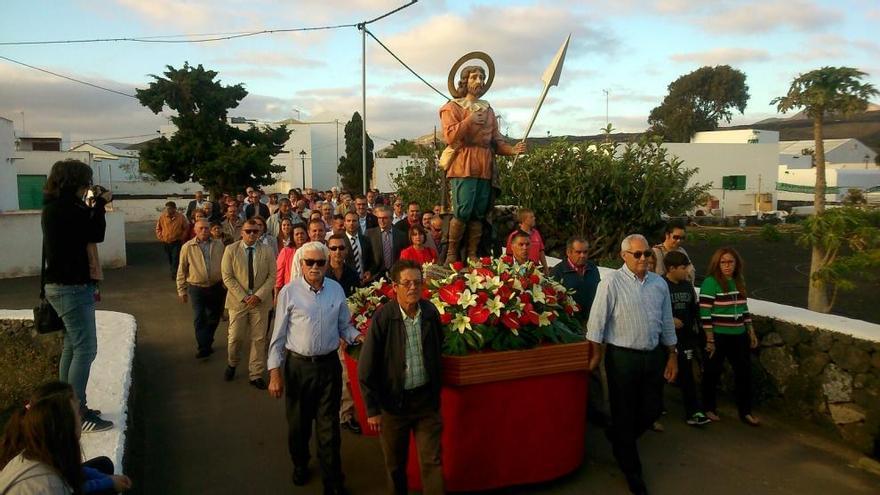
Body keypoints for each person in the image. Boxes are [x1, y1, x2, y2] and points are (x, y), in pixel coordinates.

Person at [267, 242, 365, 494]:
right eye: (309, 262)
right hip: (298, 368)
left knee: (328, 426)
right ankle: (300, 464)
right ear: (301, 264)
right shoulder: (289, 292)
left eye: (319, 262)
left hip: (329, 367)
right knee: (298, 425)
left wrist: (359, 336)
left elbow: (345, 326)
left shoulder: (335, 291)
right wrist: (274, 373)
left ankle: (333, 480)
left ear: (326, 263)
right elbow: (277, 337)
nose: (314, 267)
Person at [586, 234, 677, 495]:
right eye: (637, 254)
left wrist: (672, 354)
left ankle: (618, 438)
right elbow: (596, 322)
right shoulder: (611, 283)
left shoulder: (658, 284)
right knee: (624, 412)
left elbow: (667, 322)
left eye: (646, 253)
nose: (643, 259)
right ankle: (632, 470)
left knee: (652, 409)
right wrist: (595, 355)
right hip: (622, 357)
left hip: (653, 355)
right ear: (624, 256)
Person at [358, 260, 446, 495]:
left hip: (426, 403)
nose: (412, 288)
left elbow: (440, 347)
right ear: (394, 287)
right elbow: (366, 367)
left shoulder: (429, 312)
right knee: (395, 466)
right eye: (406, 283)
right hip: (393, 406)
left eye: (417, 282)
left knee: (432, 462)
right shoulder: (384, 318)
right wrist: (372, 409)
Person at [40, 159, 113, 433]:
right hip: (71, 287)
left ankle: (66, 405)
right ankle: (78, 411)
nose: (86, 188)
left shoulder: (55, 207)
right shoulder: (66, 209)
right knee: (85, 348)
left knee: (72, 346)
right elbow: (96, 232)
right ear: (75, 182)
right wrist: (101, 204)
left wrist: (93, 205)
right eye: (85, 182)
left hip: (62, 286)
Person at [439, 64, 526, 263]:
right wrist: (468, 121)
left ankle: (472, 253)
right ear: (464, 81)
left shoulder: (488, 109)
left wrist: (512, 150)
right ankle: (452, 252)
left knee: (479, 212)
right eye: (474, 77)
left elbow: (497, 141)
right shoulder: (452, 107)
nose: (479, 81)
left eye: (481, 77)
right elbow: (449, 136)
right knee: (463, 210)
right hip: (463, 163)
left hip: (485, 165)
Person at [0, 382, 133, 494]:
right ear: (64, 424)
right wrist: (108, 483)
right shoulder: (50, 487)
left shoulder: (38, 446)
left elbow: (68, 471)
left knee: (103, 465)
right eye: (76, 410)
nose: (81, 415)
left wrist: (106, 479)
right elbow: (71, 486)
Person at [700, 247, 760, 426]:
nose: (727, 266)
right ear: (717, 264)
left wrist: (750, 330)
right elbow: (705, 312)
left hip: (738, 335)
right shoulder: (711, 282)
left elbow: (743, 308)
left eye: (730, 262)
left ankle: (746, 411)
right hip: (718, 335)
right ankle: (709, 407)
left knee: (744, 374)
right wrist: (710, 338)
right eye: (723, 262)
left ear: (736, 263)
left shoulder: (738, 280)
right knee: (712, 372)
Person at [221, 219, 277, 389]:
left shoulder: (267, 251)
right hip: (238, 302)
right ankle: (232, 362)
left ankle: (256, 373)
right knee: (235, 338)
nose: (252, 234)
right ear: (242, 232)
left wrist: (258, 295)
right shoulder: (231, 250)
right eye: (248, 231)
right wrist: (244, 297)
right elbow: (227, 277)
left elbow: (272, 276)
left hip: (260, 302)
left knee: (259, 339)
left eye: (255, 231)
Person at [662, 251, 710, 426]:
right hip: (665, 341)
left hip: (686, 339)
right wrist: (669, 320)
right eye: (683, 268)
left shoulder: (687, 286)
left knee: (687, 374)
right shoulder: (660, 285)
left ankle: (693, 411)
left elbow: (694, 310)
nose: (687, 271)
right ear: (671, 268)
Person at [326, 234, 364, 435]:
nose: (337, 252)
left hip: (345, 332)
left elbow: (358, 301)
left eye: (341, 248)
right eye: (333, 248)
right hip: (324, 333)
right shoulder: (321, 272)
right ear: (328, 249)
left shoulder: (351, 273)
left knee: (346, 376)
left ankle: (345, 414)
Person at [177, 219, 226, 359]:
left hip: (216, 286)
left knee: (214, 316)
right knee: (199, 317)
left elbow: (225, 265)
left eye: (206, 228)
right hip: (196, 287)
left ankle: (208, 340)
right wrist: (182, 290)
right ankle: (203, 347)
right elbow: (182, 269)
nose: (204, 231)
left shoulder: (218, 245)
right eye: (201, 228)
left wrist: (225, 283)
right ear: (195, 230)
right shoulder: (188, 247)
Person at [367, 206, 408, 281]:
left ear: (392, 219)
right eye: (379, 218)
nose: (381, 221)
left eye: (385, 218)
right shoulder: (369, 234)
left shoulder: (401, 235)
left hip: (396, 275)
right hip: (375, 277)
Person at [505, 208, 548, 274]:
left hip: (535, 270)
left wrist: (546, 268)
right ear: (524, 220)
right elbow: (509, 255)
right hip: (520, 271)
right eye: (531, 217)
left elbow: (541, 252)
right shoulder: (514, 236)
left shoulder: (536, 233)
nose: (534, 218)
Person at [155, 201, 190, 280]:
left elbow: (186, 228)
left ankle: (175, 273)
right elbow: (158, 228)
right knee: (170, 257)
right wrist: (161, 237)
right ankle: (173, 269)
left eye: (170, 209)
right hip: (166, 241)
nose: (168, 210)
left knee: (176, 258)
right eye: (167, 209)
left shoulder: (181, 217)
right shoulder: (162, 217)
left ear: (174, 209)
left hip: (177, 241)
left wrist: (182, 237)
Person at [342, 212, 375, 285]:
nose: (351, 223)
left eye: (354, 221)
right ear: (344, 223)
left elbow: (372, 261)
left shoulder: (366, 240)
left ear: (358, 223)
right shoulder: (340, 240)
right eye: (348, 221)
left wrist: (370, 271)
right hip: (346, 283)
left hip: (364, 282)